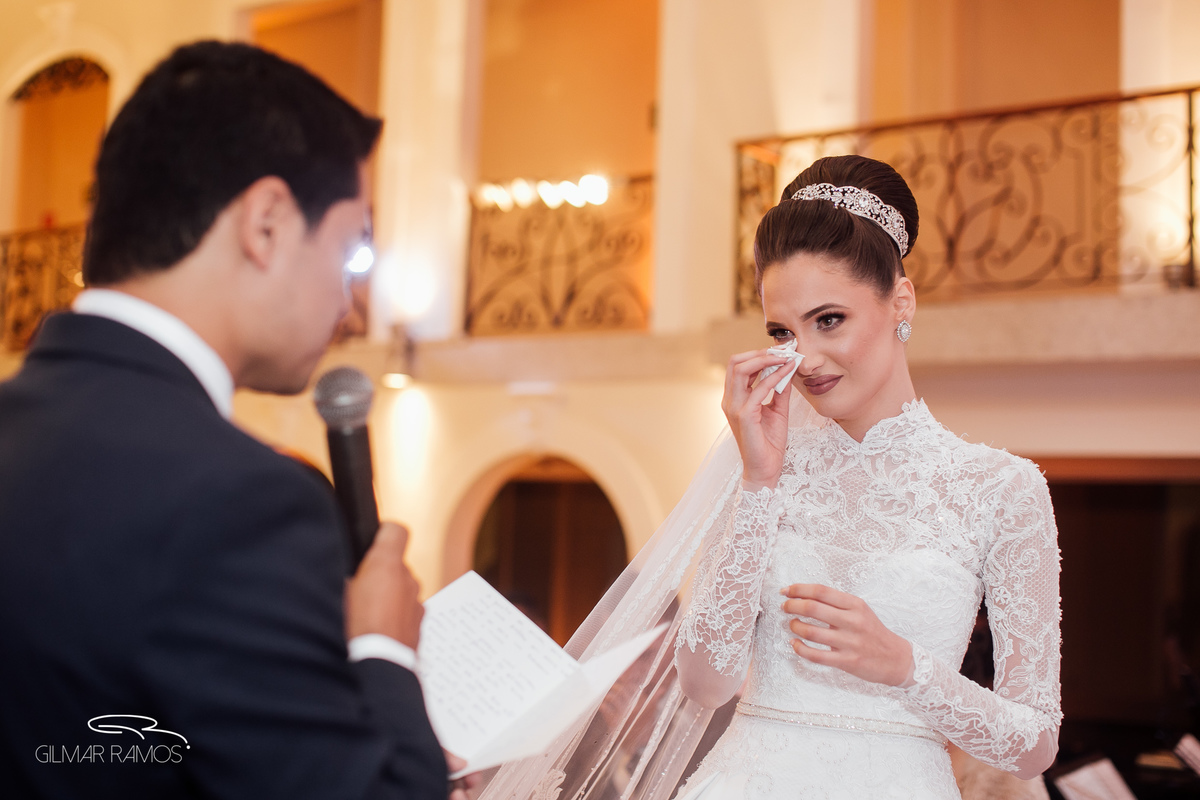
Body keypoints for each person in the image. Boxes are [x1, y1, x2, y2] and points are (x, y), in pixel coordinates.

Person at [476, 155, 1061, 800]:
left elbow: (1033, 743)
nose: (804, 358)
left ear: (901, 299)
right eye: (782, 330)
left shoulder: (1002, 490)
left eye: (829, 319)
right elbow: (706, 683)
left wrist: (906, 668)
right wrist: (759, 481)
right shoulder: (761, 468)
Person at [0, 41, 453, 799]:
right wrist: (380, 649)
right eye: (350, 252)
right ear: (267, 224)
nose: (348, 304)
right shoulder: (243, 503)